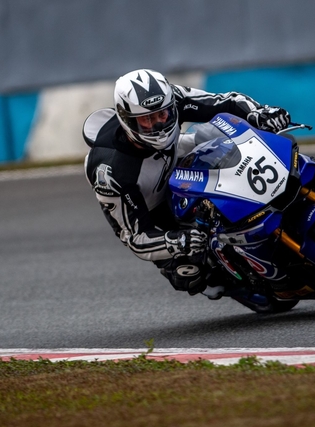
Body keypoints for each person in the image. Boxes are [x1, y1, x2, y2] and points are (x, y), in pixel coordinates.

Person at [83, 69, 291, 296]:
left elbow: (226, 101)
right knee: (188, 274)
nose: (158, 125)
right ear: (127, 121)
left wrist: (259, 112)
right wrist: (176, 241)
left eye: (162, 115)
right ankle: (234, 283)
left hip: (176, 157)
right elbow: (137, 238)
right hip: (148, 207)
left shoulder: (173, 97)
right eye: (147, 120)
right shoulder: (109, 172)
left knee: (223, 141)